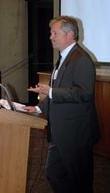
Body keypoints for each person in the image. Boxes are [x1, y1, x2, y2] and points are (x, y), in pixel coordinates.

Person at [24, 16, 100, 193]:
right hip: (60, 131)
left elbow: (84, 93)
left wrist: (50, 91)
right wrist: (38, 108)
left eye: (55, 33)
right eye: (51, 33)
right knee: (54, 172)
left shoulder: (81, 59)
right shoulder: (63, 58)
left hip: (76, 133)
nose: (50, 37)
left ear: (70, 35)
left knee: (79, 179)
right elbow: (57, 91)